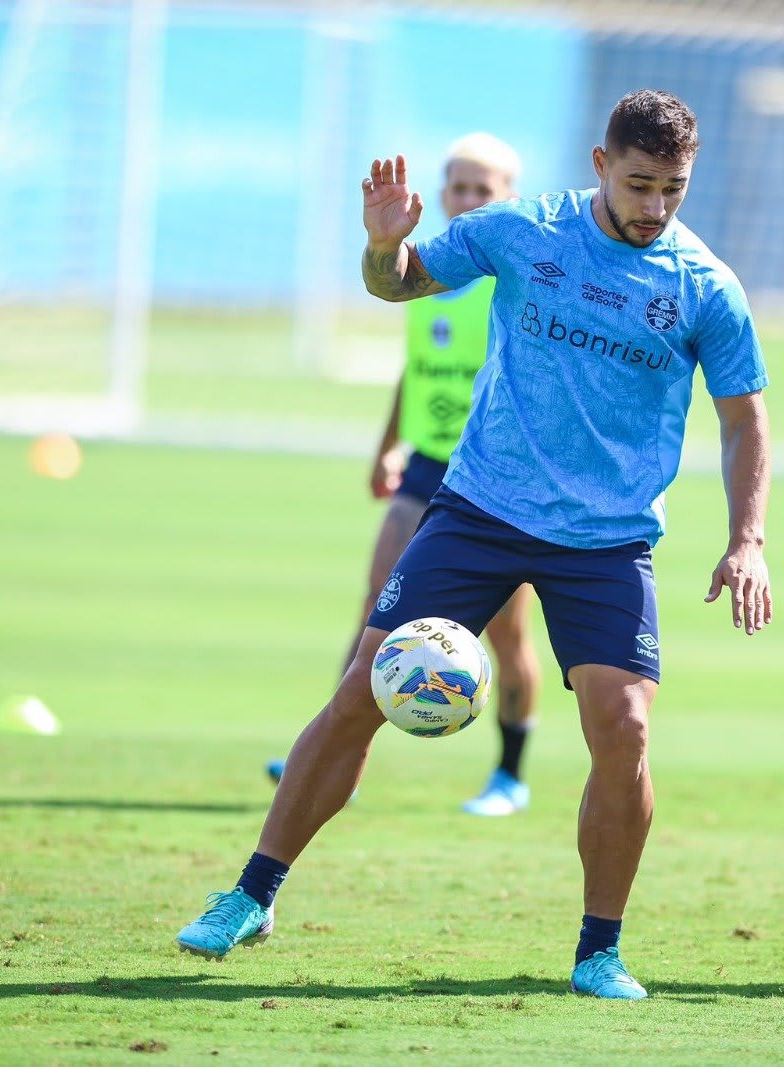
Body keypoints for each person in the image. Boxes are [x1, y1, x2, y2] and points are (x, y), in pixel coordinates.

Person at [175, 90, 772, 1000]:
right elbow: (400, 282)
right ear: (599, 163)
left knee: (626, 730)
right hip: (481, 507)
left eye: (674, 189)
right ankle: (252, 893)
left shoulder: (705, 288)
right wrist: (383, 243)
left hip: (606, 542)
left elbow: (744, 420)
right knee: (358, 696)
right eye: (641, 183)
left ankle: (599, 950)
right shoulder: (523, 230)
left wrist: (748, 538)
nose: (655, 207)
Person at [266, 133, 543, 817]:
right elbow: (417, 370)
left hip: (495, 479)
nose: (469, 198)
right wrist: (388, 445)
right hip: (424, 467)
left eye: (485, 189)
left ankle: (509, 774)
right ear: (441, 193)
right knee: (376, 612)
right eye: (459, 186)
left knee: (505, 637)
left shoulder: (513, 280)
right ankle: (338, 759)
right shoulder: (428, 271)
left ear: (509, 197)